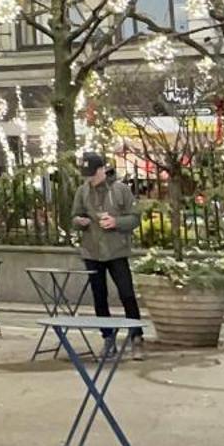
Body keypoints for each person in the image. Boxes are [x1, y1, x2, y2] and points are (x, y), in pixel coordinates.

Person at [73, 151, 143, 356]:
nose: (90, 178)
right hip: (92, 250)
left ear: (102, 169)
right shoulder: (82, 191)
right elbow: (74, 215)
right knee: (99, 296)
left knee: (127, 293)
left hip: (116, 250)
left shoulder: (120, 190)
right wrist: (79, 221)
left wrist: (116, 222)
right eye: (87, 175)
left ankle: (136, 335)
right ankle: (107, 337)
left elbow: (135, 218)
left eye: (93, 174)